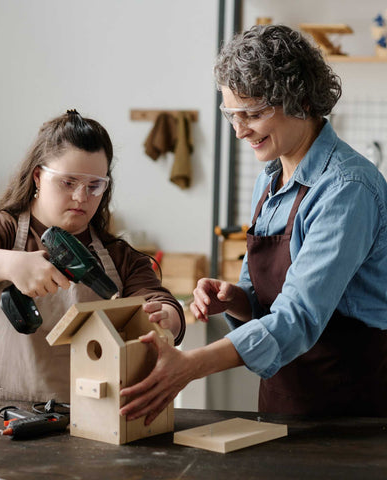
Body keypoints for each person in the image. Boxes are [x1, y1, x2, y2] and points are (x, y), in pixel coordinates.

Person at [119, 24, 387, 423]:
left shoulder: (347, 189)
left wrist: (190, 364)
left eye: (254, 114)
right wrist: (237, 300)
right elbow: (262, 297)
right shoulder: (269, 179)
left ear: (302, 101)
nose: (240, 130)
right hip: (286, 401)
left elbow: (299, 316)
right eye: (232, 114)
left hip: (351, 408)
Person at [0, 109, 185, 402]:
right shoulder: (2, 229)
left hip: (81, 419)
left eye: (94, 185)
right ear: (38, 176)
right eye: (68, 182)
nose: (81, 197)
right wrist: (9, 264)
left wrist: (167, 317)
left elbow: (160, 301)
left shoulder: (118, 256)